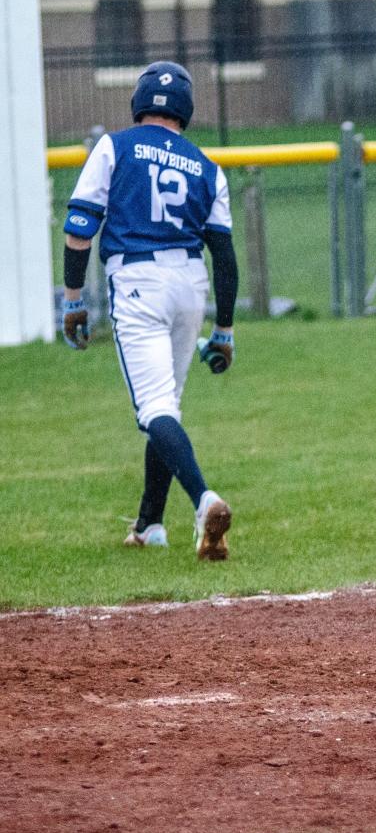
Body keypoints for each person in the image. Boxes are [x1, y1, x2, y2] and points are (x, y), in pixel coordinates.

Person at [61, 61, 236, 561]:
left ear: (139, 102)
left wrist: (73, 297)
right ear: (185, 111)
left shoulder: (114, 146)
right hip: (190, 282)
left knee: (156, 408)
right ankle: (149, 524)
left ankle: (205, 502)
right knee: (167, 406)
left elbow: (79, 227)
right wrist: (223, 328)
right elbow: (224, 255)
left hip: (138, 280)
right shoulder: (206, 165)